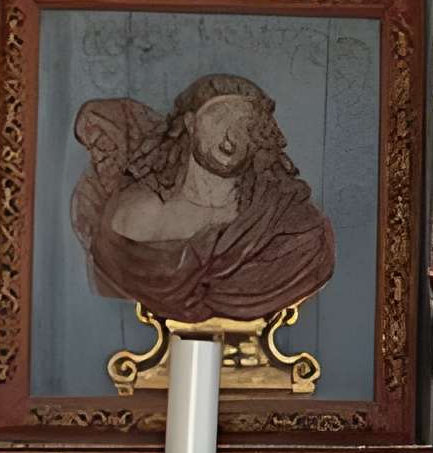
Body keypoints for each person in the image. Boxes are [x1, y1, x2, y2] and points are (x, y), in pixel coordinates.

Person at [70, 71, 334, 323]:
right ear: (190, 124)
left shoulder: (289, 224)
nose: (230, 135)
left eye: (245, 123)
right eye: (218, 116)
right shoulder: (135, 216)